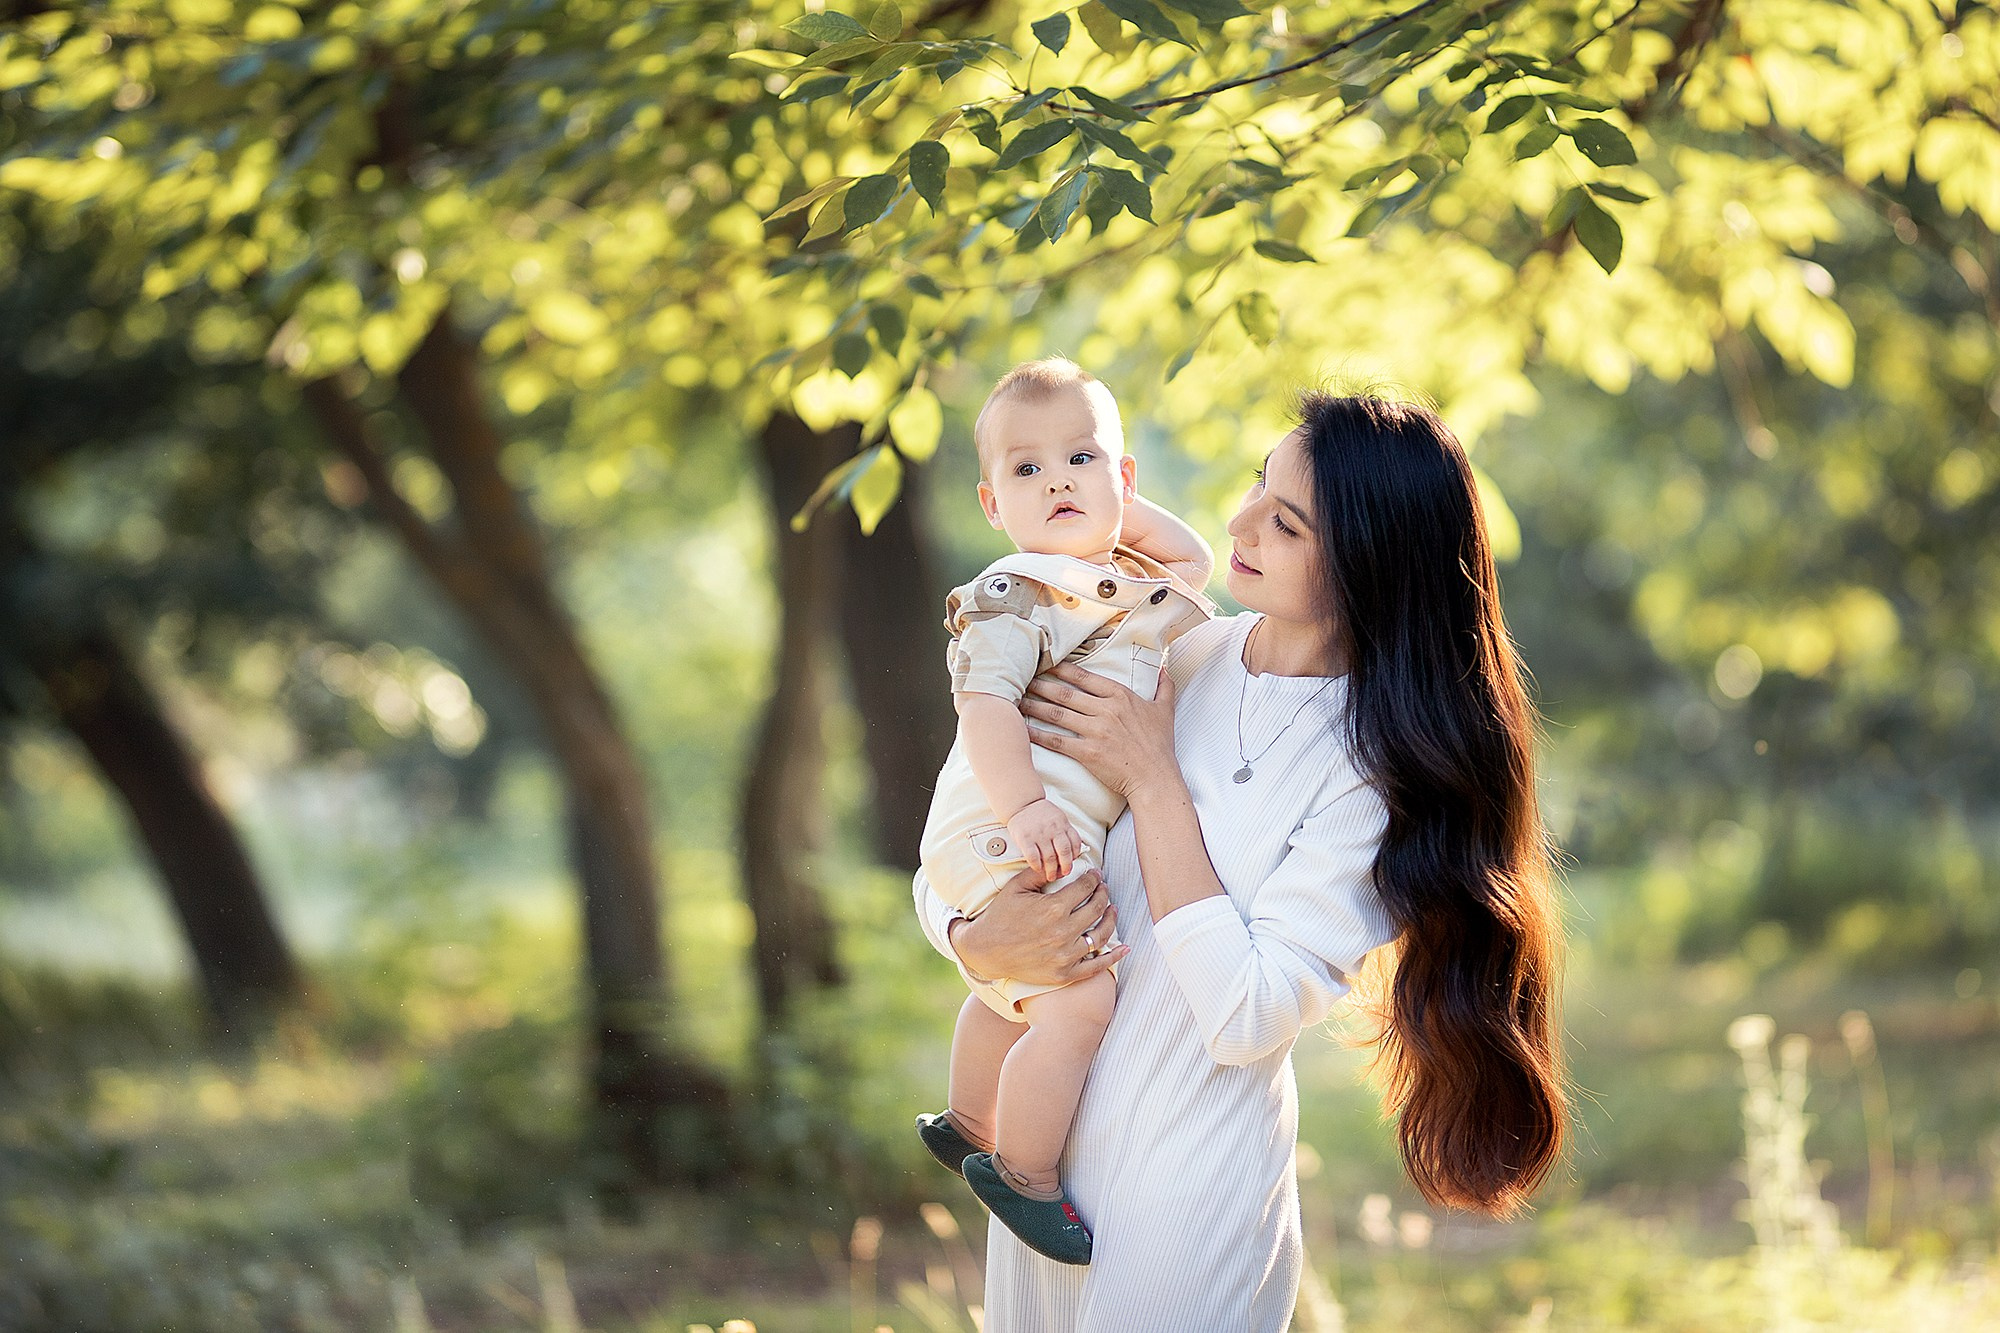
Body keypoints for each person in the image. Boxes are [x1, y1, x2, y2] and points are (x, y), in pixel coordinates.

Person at [913, 392, 1570, 1330]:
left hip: (1189, 1195)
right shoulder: (1160, 649)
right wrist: (975, 935)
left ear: (1365, 566)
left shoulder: (1373, 773)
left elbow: (1247, 1012)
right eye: (1260, 483)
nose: (1240, 522)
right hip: (1044, 1175)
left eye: (1287, 521)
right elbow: (965, 827)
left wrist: (1153, 780)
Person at [914, 358, 1215, 1265]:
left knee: (1020, 987)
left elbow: (1194, 565)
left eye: (1081, 459)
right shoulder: (1018, 593)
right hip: (1007, 819)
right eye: (1028, 470)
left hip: (1023, 827)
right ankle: (1026, 1172)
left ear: (1123, 478)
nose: (1059, 483)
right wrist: (1029, 805)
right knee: (1080, 998)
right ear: (991, 504)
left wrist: (1113, 505)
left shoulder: (1108, 585)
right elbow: (985, 709)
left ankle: (969, 1120)